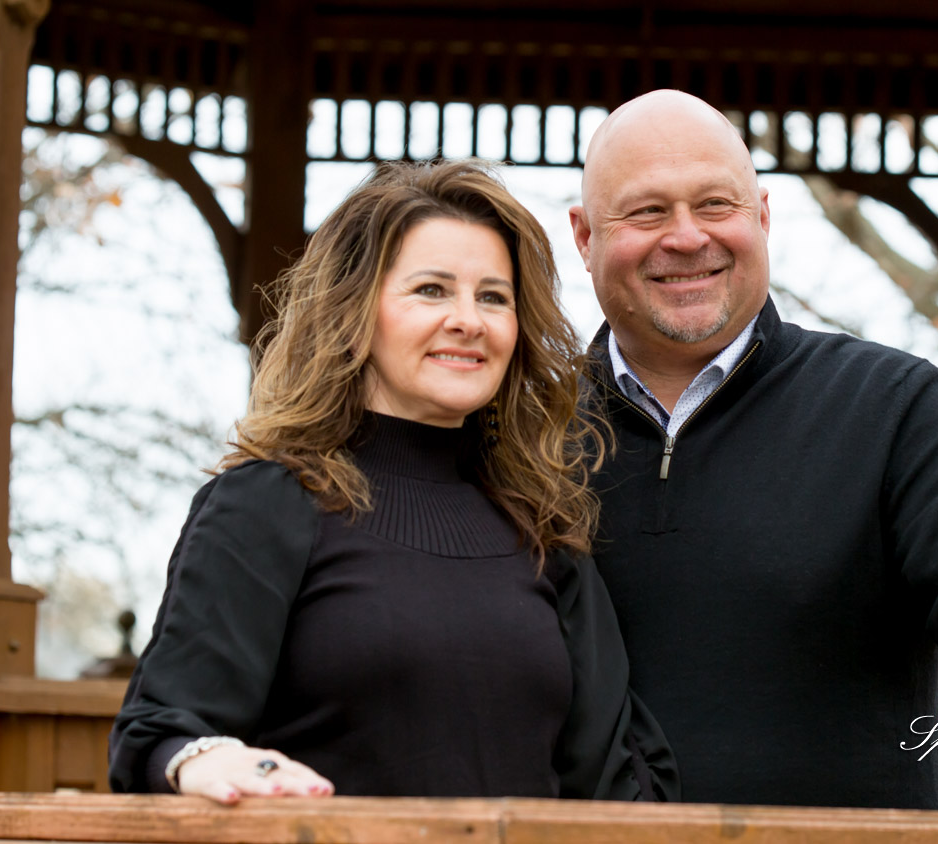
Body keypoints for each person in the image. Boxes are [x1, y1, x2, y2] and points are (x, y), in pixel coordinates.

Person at [568, 90, 938, 844]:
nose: (686, 238)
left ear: (764, 218)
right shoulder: (523, 428)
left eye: (715, 204)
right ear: (585, 236)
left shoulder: (893, 406)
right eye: (646, 212)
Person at [110, 160, 677, 805]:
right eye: (431, 290)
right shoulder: (267, 504)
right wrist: (207, 763)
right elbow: (161, 733)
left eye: (493, 296)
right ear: (356, 310)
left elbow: (611, 786)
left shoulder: (543, 532)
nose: (469, 320)